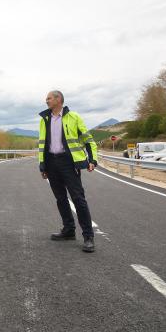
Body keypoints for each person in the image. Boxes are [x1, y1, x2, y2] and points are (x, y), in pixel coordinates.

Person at [39, 90, 98, 252]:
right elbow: (42, 144)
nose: (46, 101)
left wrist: (92, 160)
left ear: (58, 99)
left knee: (78, 198)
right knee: (60, 199)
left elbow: (88, 139)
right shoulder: (44, 119)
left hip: (69, 162)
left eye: (49, 98)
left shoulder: (74, 117)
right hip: (51, 162)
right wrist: (42, 165)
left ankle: (88, 236)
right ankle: (69, 230)